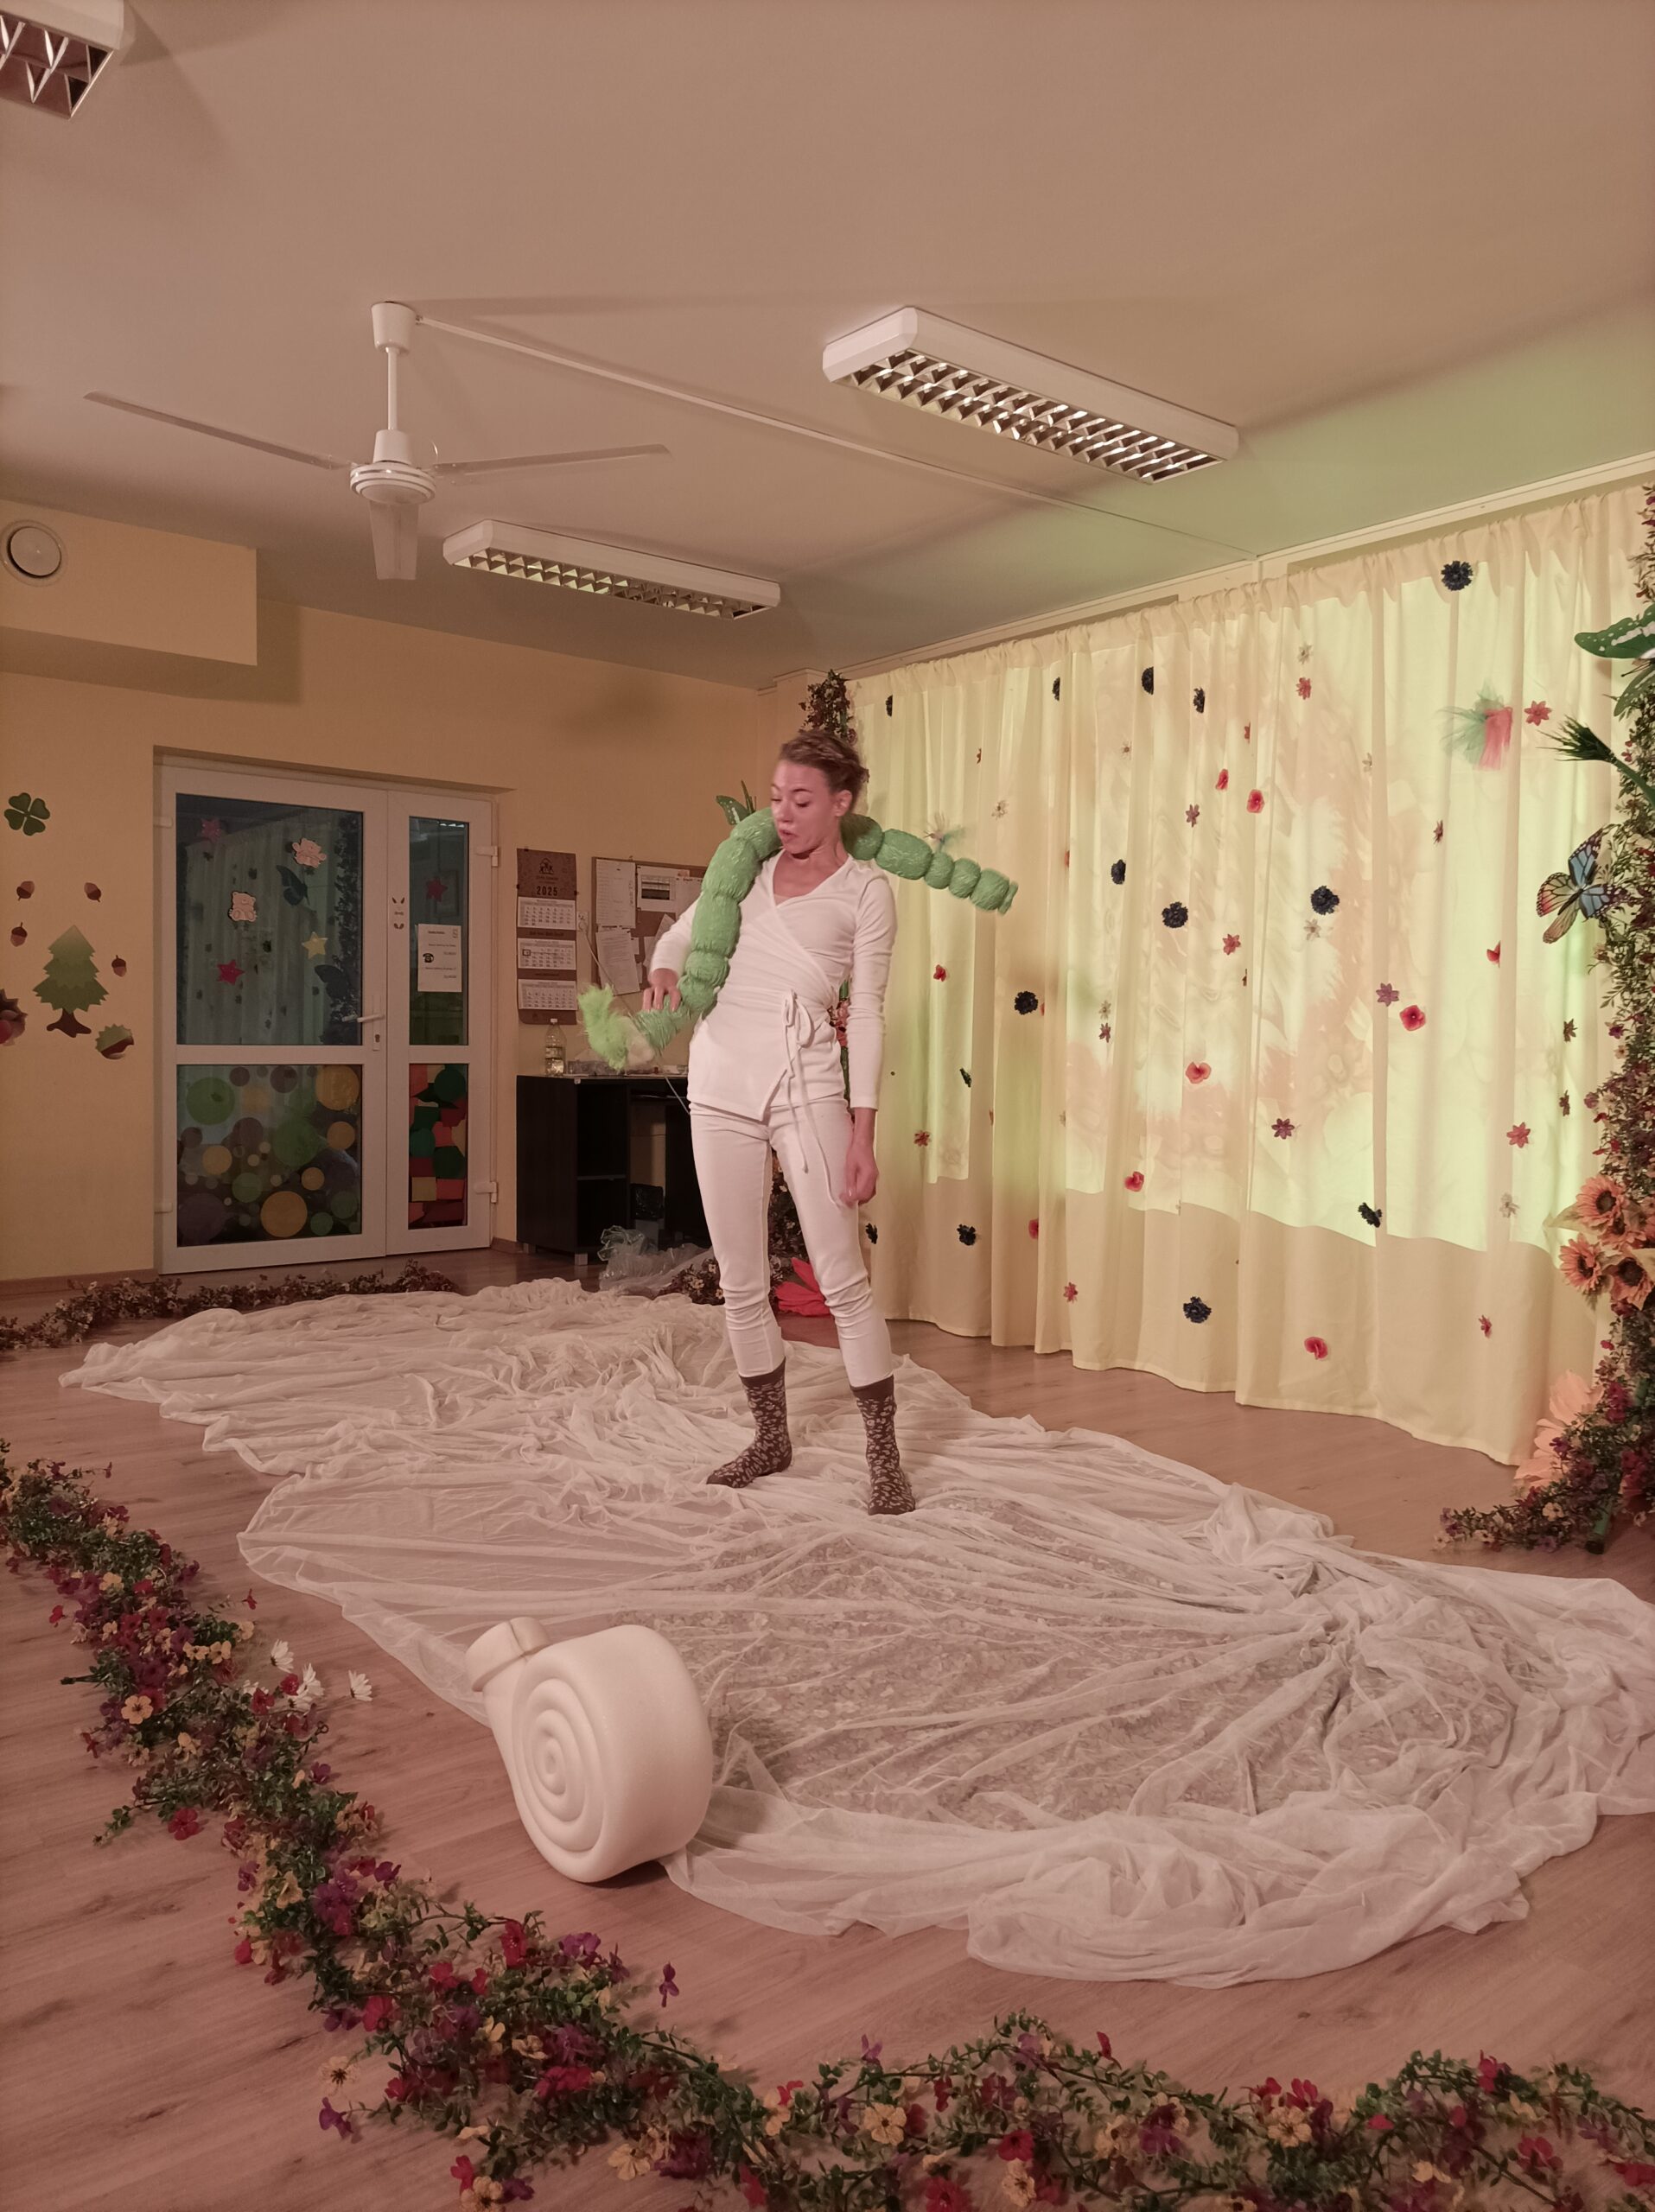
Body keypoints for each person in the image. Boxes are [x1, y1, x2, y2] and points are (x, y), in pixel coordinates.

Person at [643, 724, 911, 1514]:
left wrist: (862, 1131)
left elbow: (868, 1013)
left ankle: (884, 1457)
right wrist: (664, 968)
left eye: (800, 800)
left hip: (808, 1088)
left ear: (841, 804)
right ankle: (769, 1438)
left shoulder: (866, 892)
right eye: (774, 799)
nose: (782, 815)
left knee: (843, 1281)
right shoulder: (745, 870)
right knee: (739, 1281)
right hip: (719, 1083)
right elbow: (679, 935)